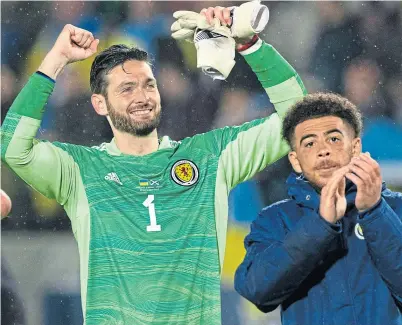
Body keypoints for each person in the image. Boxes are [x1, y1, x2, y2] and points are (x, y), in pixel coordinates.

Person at [0, 3, 306, 324]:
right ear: (100, 104)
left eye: (149, 85)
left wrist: (250, 45)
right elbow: (13, 146)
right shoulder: (81, 171)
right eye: (127, 88)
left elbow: (300, 117)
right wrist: (56, 59)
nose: (142, 96)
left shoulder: (210, 157)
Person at [235, 93, 402, 324]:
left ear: (355, 148)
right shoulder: (275, 219)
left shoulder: (395, 209)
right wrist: (320, 225)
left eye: (333, 139)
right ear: (295, 160)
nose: (323, 150)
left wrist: (374, 212)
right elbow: (257, 290)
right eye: (310, 143)